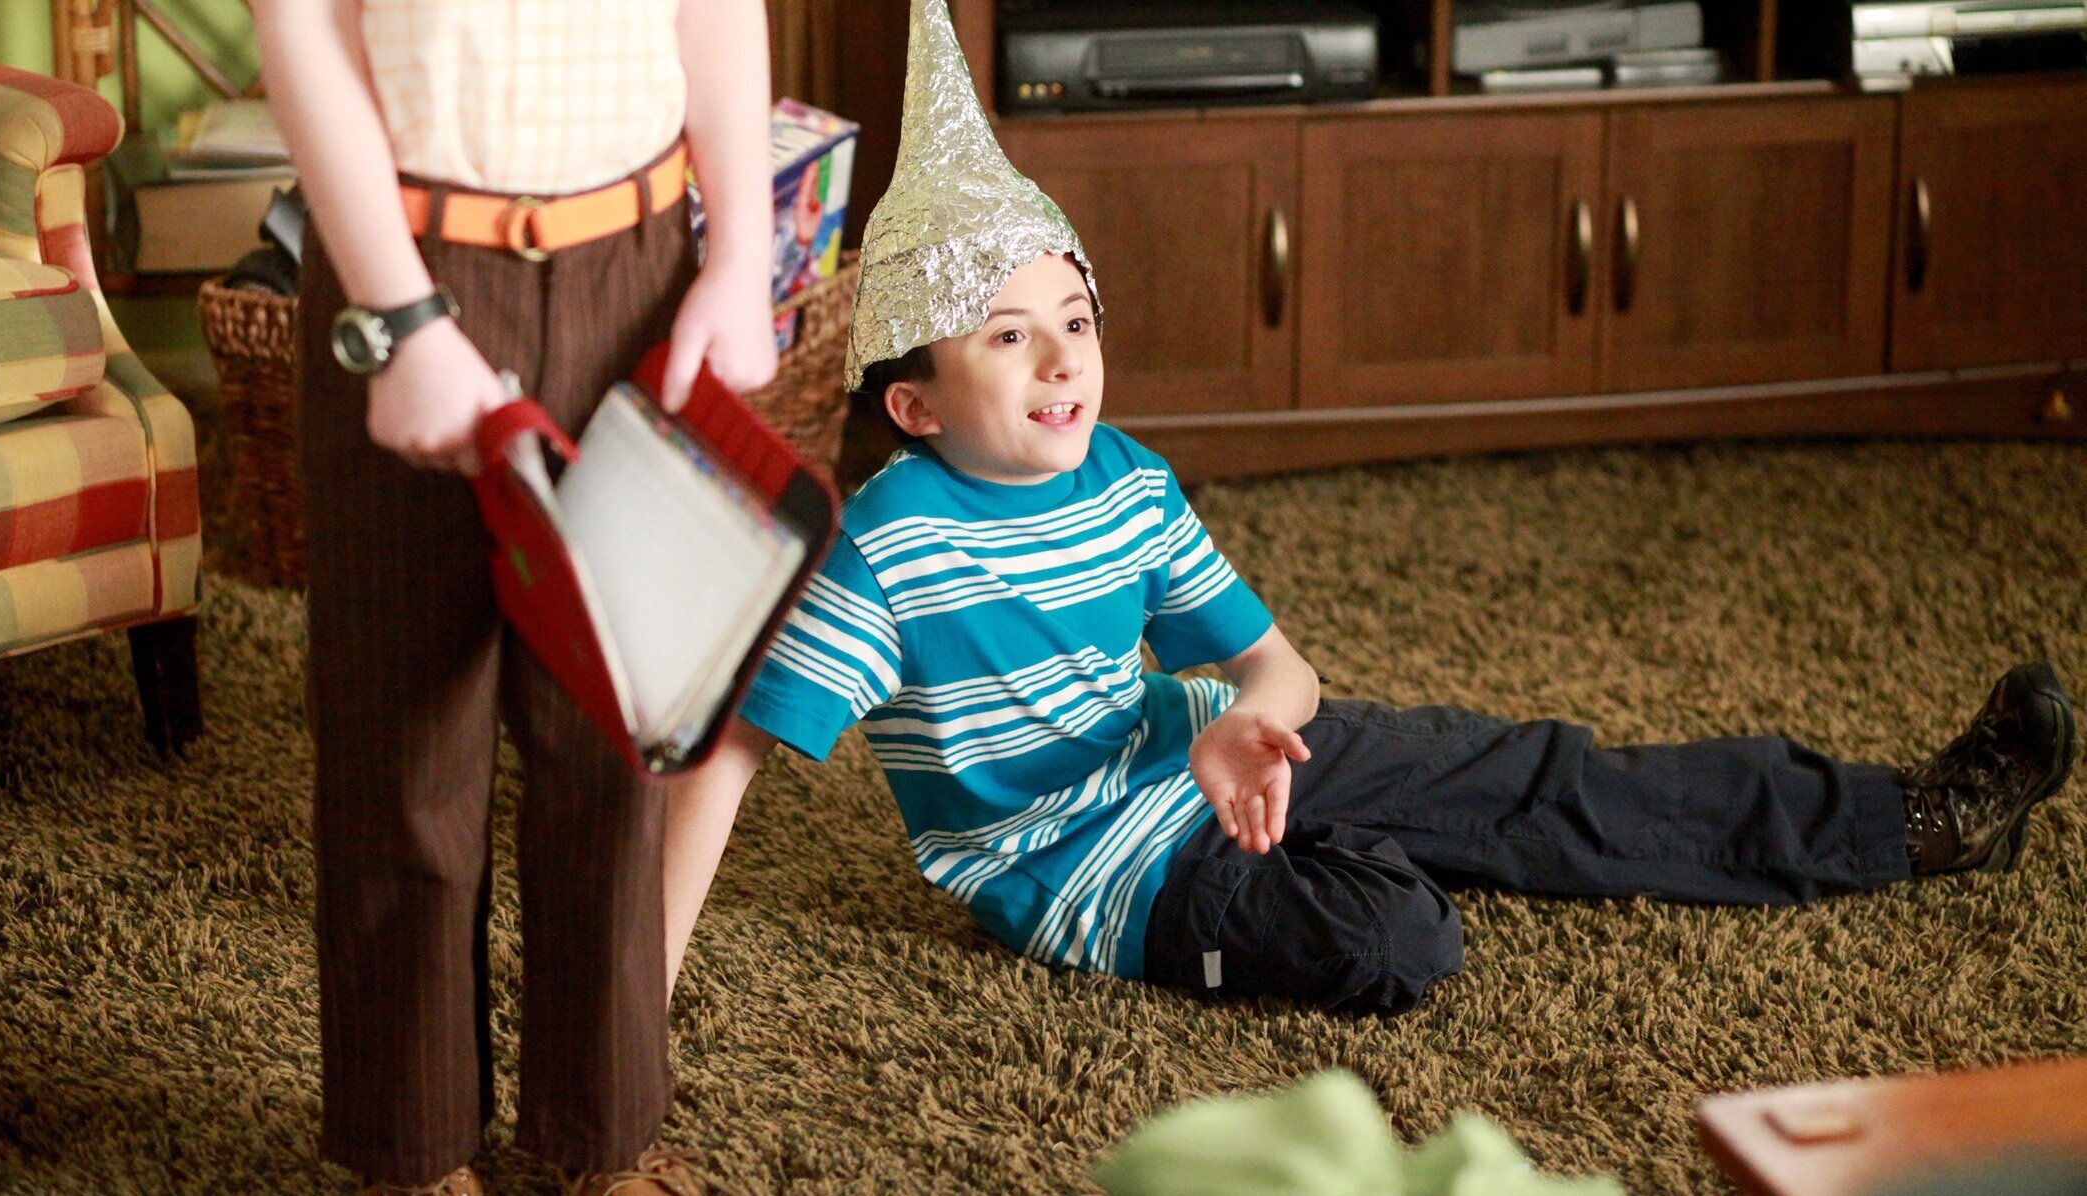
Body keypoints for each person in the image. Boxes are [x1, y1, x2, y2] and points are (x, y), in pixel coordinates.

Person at [653, 0, 2078, 1025]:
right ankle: (1399, 853)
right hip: (1091, 874)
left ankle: (1912, 821)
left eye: (1074, 322)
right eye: (1008, 337)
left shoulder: (1128, 481)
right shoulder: (887, 542)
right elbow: (732, 755)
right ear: (913, 404)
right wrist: (634, 1000)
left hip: (1203, 764)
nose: (1062, 361)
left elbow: (1277, 668)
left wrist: (1242, 722)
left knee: (1535, 773)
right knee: (1398, 940)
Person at [249, 0, 778, 1191]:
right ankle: (411, 1146)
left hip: (634, 269)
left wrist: (741, 254)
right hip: (406, 262)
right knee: (403, 736)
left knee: (614, 729)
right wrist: (401, 319)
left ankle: (604, 1133)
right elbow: (302, 25)